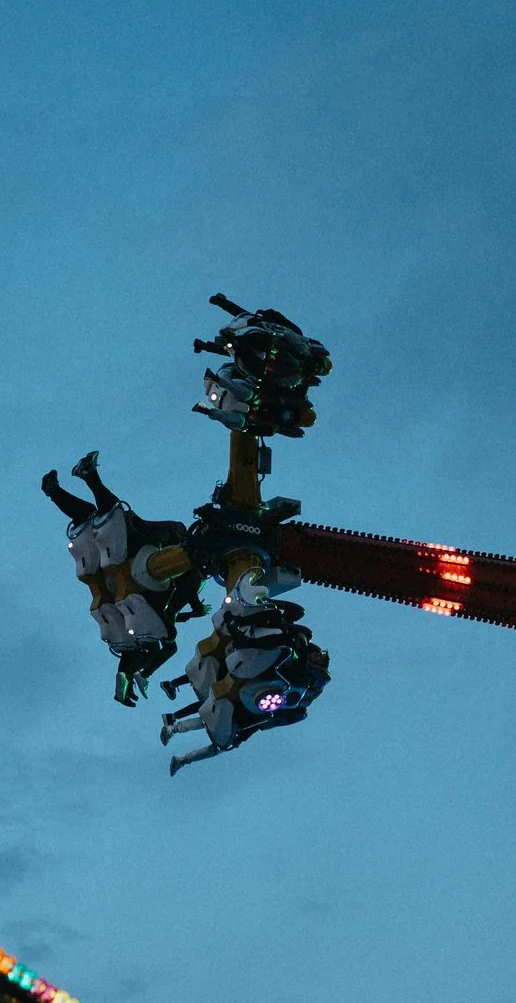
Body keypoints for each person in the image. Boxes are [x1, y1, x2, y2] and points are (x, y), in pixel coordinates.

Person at [40, 451, 202, 706]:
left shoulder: (171, 549)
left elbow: (180, 596)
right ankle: (84, 476)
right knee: (107, 517)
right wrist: (195, 606)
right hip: (131, 585)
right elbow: (185, 589)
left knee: (92, 517)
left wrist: (193, 608)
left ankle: (59, 490)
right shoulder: (177, 551)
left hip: (119, 592)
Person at [159, 588, 329, 773]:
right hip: (250, 660)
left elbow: (288, 705)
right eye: (316, 655)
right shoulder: (288, 638)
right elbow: (288, 618)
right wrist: (265, 604)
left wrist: (269, 716)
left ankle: (181, 751)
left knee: (226, 733)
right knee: (216, 686)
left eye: (318, 658)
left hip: (259, 696)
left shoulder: (302, 681)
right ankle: (174, 715)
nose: (316, 658)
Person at [190, 294, 331, 438]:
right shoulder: (304, 350)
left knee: (243, 413)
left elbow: (280, 383)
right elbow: (289, 334)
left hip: (261, 376)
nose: (315, 369)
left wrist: (206, 347)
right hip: (270, 338)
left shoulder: (297, 380)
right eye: (318, 366)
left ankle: (206, 409)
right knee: (255, 322)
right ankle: (223, 303)